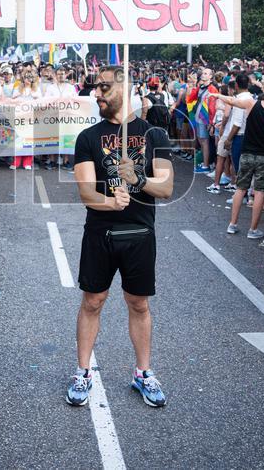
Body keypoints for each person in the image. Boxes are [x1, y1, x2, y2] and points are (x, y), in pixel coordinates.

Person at [67, 66, 174, 408]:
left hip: (141, 234)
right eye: (95, 88)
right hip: (100, 234)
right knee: (92, 302)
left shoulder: (154, 135)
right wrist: (110, 202)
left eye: (104, 87)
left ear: (125, 87)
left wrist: (139, 181)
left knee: (139, 304)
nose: (96, 93)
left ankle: (142, 373)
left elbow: (168, 187)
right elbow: (85, 192)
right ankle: (83, 372)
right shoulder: (88, 138)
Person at [216, 80, 264, 239]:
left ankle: (232, 224)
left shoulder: (251, 104)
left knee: (241, 188)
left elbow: (232, 101)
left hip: (247, 153)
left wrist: (218, 95)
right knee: (260, 192)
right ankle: (253, 230)